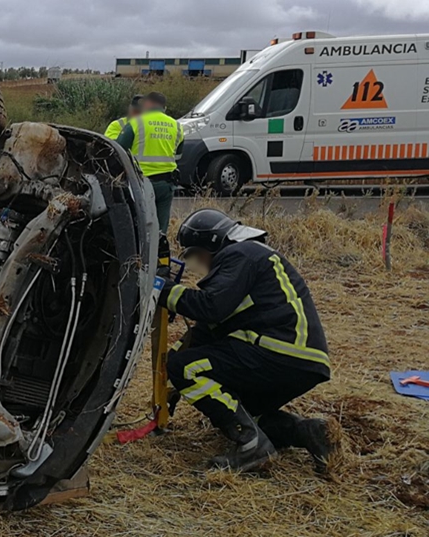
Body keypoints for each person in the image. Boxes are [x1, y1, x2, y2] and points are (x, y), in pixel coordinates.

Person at [160, 209, 336, 473]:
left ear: (213, 243)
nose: (201, 263)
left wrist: (160, 288)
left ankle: (252, 447)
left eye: (198, 255)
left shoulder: (240, 254)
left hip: (276, 349)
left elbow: (210, 308)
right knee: (239, 409)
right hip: (301, 361)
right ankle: (305, 432)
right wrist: (171, 372)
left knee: (189, 369)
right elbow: (206, 331)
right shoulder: (253, 259)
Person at [115, 92, 182, 235]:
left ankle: (140, 256)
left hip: (141, 183)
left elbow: (118, 151)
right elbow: (179, 156)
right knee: (160, 230)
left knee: (140, 227)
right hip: (167, 184)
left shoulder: (136, 122)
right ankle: (159, 255)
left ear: (147, 104)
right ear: (164, 107)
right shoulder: (177, 126)